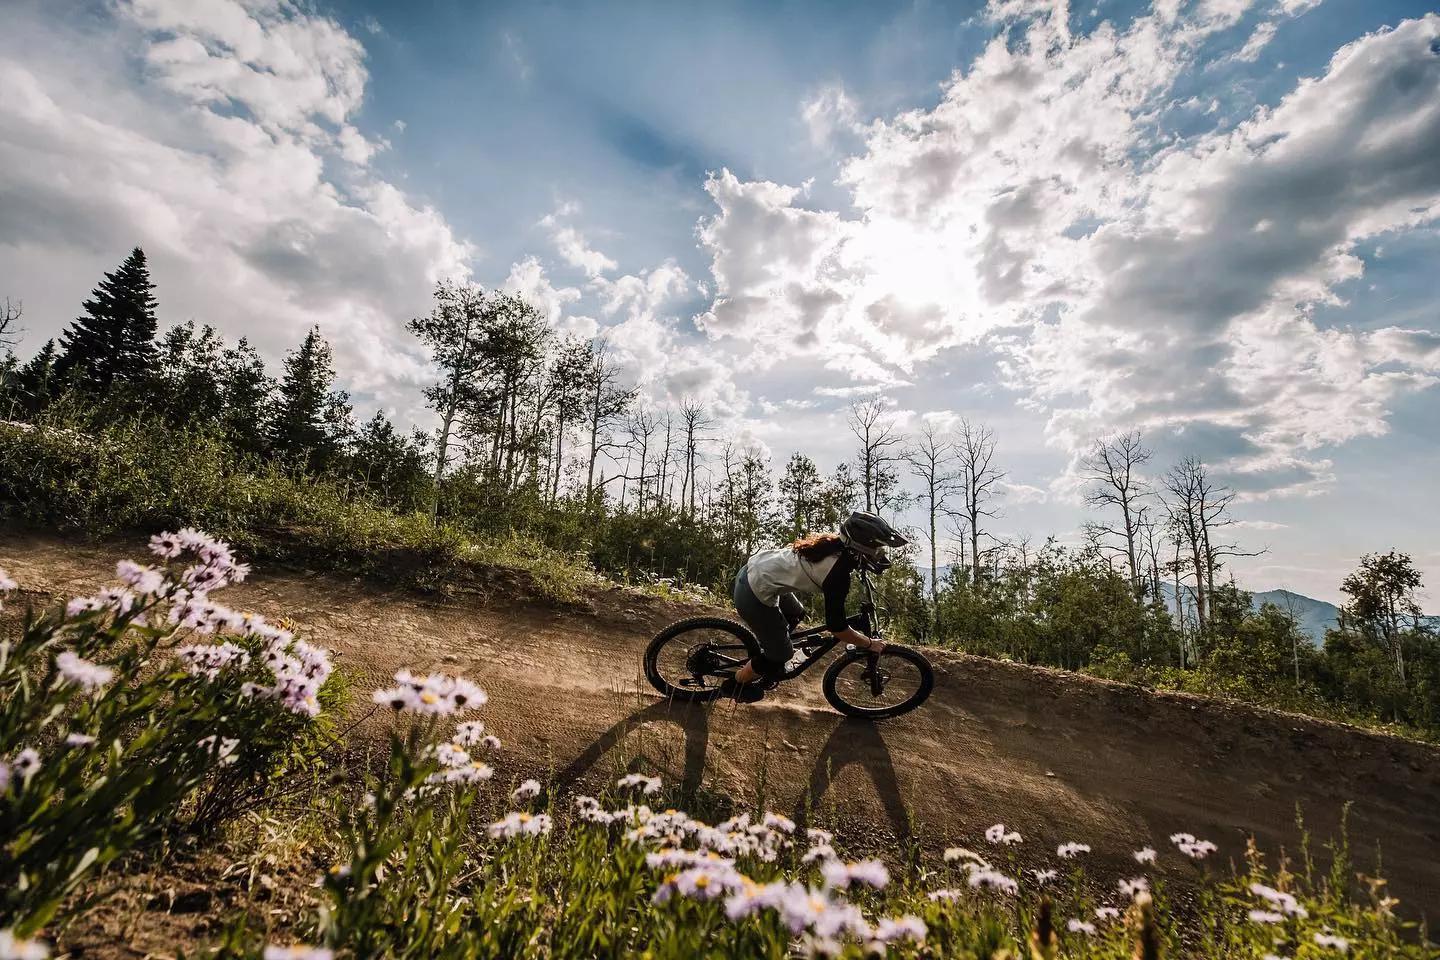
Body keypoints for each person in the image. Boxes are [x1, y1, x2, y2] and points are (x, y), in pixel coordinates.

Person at [720, 511, 907, 702]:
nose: (879, 553)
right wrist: (869, 643)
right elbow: (838, 628)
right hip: (753, 592)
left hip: (756, 572)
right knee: (782, 654)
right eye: (877, 549)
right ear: (860, 547)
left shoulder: (836, 545)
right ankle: (737, 683)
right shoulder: (838, 574)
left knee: (796, 613)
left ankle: (768, 655)